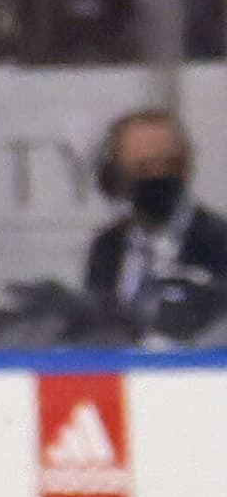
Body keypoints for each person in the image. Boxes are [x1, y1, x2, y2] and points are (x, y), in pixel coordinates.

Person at [75, 107, 227, 345]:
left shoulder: (219, 243)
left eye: (169, 165)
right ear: (117, 174)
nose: (157, 176)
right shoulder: (106, 247)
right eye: (142, 168)